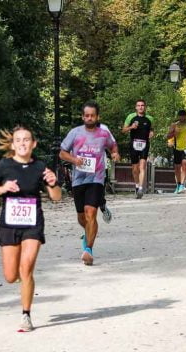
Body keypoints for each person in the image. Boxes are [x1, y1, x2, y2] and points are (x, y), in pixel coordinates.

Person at [0, 126, 62, 332]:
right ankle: (21, 281)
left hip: (33, 224)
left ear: (33, 144)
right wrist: (3, 188)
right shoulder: (4, 166)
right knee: (10, 276)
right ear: (13, 144)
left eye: (27, 140)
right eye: (18, 140)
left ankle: (26, 315)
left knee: (26, 269)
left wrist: (53, 183)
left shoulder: (40, 167)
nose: (23, 143)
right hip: (9, 224)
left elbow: (56, 197)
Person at [60, 101, 120, 266]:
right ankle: (88, 234)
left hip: (96, 178)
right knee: (82, 217)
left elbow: (113, 146)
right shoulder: (75, 133)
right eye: (86, 115)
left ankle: (89, 250)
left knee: (91, 212)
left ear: (97, 116)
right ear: (83, 117)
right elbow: (62, 153)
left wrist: (115, 153)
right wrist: (74, 159)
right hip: (78, 179)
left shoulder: (103, 134)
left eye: (92, 115)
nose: (89, 118)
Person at [122, 99, 154, 199]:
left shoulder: (150, 118)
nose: (140, 107)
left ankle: (141, 188)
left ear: (145, 107)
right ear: (136, 107)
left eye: (142, 105)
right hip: (134, 144)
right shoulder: (131, 117)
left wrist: (152, 133)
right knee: (135, 169)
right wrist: (131, 127)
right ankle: (136, 185)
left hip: (145, 144)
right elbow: (123, 130)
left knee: (142, 166)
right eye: (138, 105)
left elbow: (152, 129)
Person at [166, 109, 186, 193]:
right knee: (177, 168)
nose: (182, 118)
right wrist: (174, 133)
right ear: (178, 116)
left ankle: (182, 185)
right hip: (177, 148)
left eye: (184, 116)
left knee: (185, 165)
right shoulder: (174, 125)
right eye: (180, 116)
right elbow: (168, 136)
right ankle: (178, 184)